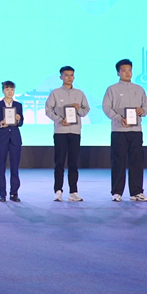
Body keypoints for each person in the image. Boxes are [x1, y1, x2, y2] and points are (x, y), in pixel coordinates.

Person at [102, 59, 147, 202]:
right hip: (119, 130)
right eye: (124, 70)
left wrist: (142, 111)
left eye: (129, 70)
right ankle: (117, 192)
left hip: (136, 130)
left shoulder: (139, 89)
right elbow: (106, 107)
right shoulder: (112, 89)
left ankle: (136, 192)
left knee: (137, 161)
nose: (127, 73)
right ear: (118, 73)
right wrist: (118, 118)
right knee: (118, 161)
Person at [45, 66, 90, 202]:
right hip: (60, 131)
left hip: (75, 131)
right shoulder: (55, 93)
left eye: (71, 75)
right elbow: (48, 110)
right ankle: (58, 191)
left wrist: (78, 109)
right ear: (61, 77)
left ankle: (73, 192)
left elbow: (86, 110)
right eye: (66, 75)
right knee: (59, 162)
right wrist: (60, 120)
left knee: (73, 163)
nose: (69, 77)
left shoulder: (79, 93)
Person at [0, 81, 23, 202]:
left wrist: (18, 120)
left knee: (15, 167)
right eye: (7, 89)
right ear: (3, 90)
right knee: (1, 167)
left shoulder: (18, 105)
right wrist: (0, 123)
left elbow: (21, 123)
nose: (10, 92)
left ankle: (14, 193)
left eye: (12, 89)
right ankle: (2, 194)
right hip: (1, 139)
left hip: (15, 139)